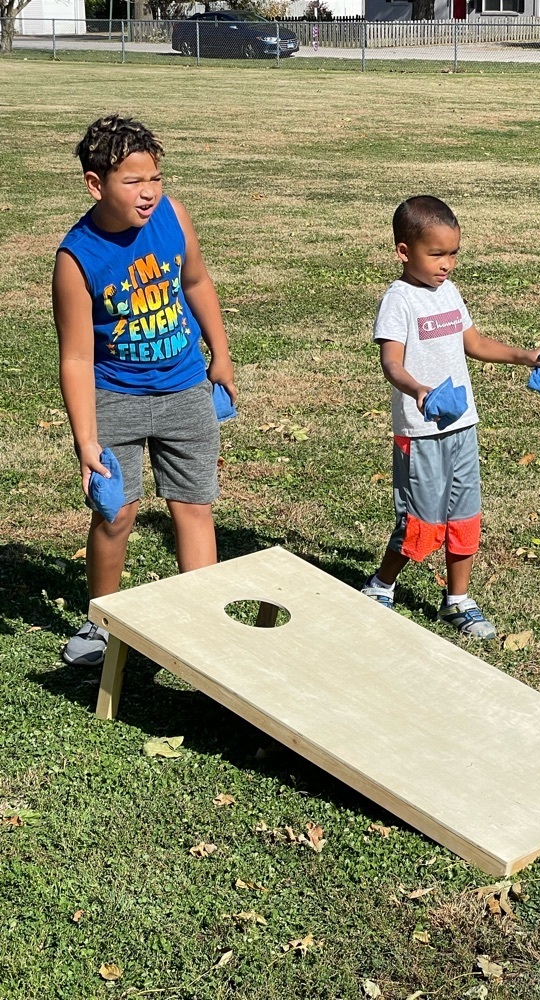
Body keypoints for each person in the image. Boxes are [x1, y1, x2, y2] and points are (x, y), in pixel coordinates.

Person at [53, 115, 236, 667]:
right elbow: (77, 358)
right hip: (115, 400)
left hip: (185, 390)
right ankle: (101, 620)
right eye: (133, 182)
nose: (150, 192)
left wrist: (220, 356)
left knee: (193, 507)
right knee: (117, 515)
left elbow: (197, 282)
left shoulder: (174, 217)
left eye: (154, 177)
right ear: (95, 184)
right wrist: (86, 439)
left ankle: (202, 623)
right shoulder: (76, 258)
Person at [361, 195, 540, 639]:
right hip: (421, 431)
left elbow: (476, 344)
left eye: (454, 253)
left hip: (462, 427)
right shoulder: (399, 300)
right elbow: (392, 364)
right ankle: (381, 585)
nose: (448, 264)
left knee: (464, 514)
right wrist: (419, 390)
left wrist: (527, 355)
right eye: (437, 254)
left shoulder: (449, 292)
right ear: (404, 252)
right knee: (421, 519)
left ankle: (457, 601)